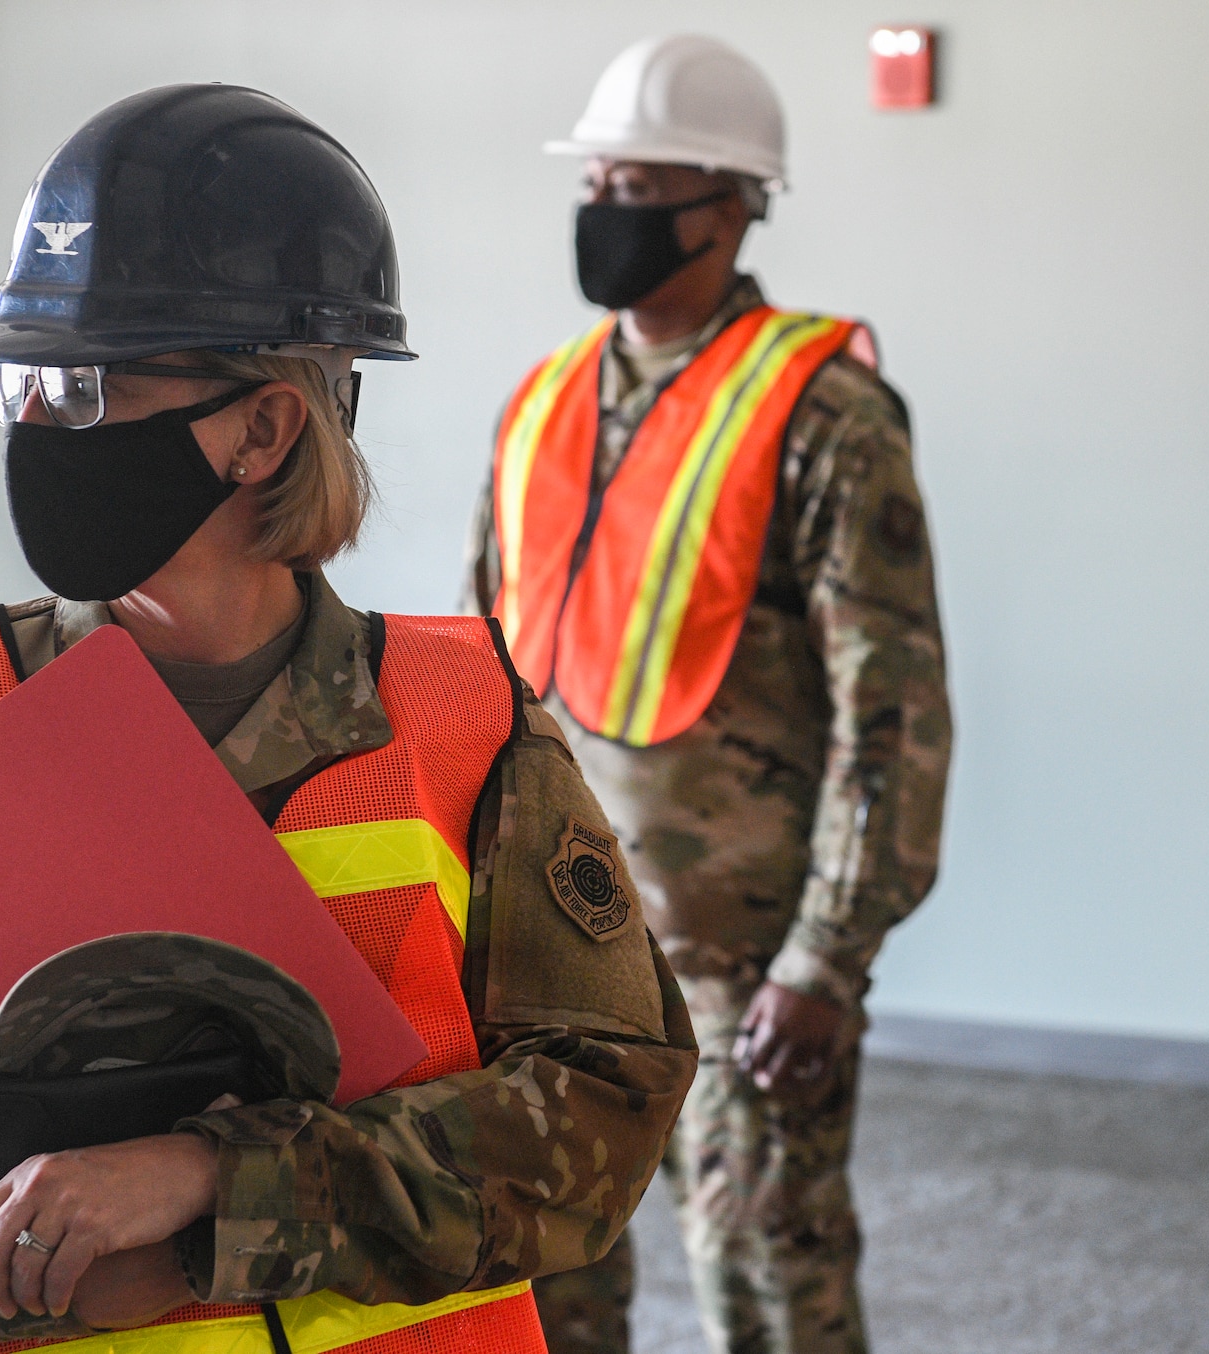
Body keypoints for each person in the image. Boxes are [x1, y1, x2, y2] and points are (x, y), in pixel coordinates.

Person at [0, 84, 696, 1354]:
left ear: (262, 426)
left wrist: (212, 1185)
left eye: (85, 388)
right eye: (22, 382)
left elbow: (604, 1103)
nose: (35, 422)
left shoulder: (463, 724)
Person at [463, 35, 952, 1354]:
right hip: (545, 959)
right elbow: (480, 683)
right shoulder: (541, 405)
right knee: (538, 1295)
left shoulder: (828, 413)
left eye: (640, 187)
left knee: (771, 1289)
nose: (605, 211)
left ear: (731, 205)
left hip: (741, 964)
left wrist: (827, 959)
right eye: (598, 182)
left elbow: (892, 714)